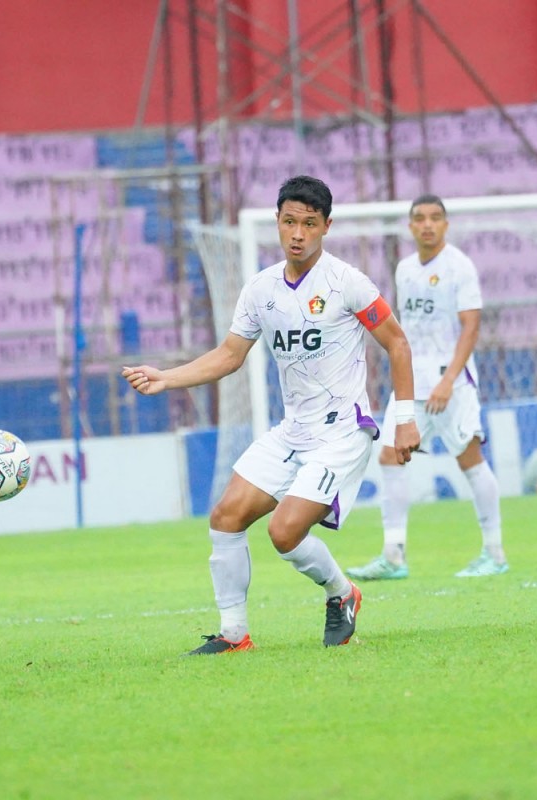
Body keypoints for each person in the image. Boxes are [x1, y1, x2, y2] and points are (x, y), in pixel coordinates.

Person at [122, 175, 421, 653]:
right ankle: (235, 635)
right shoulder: (261, 289)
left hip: (343, 432)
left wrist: (404, 418)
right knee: (226, 515)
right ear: (278, 224)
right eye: (288, 222)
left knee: (284, 531)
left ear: (325, 226)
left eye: (308, 223)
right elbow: (229, 355)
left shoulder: (348, 283)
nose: (297, 233)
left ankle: (342, 594)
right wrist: (166, 377)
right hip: (292, 432)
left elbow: (397, 342)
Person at [346, 194, 506, 581]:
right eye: (419, 218)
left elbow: (471, 327)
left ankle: (495, 552)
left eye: (435, 218)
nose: (427, 224)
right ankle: (393, 555)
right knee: (389, 457)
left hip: (451, 381)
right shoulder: (404, 269)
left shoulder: (459, 267)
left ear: (446, 225)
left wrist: (449, 380)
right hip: (413, 381)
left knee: (469, 460)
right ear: (410, 226)